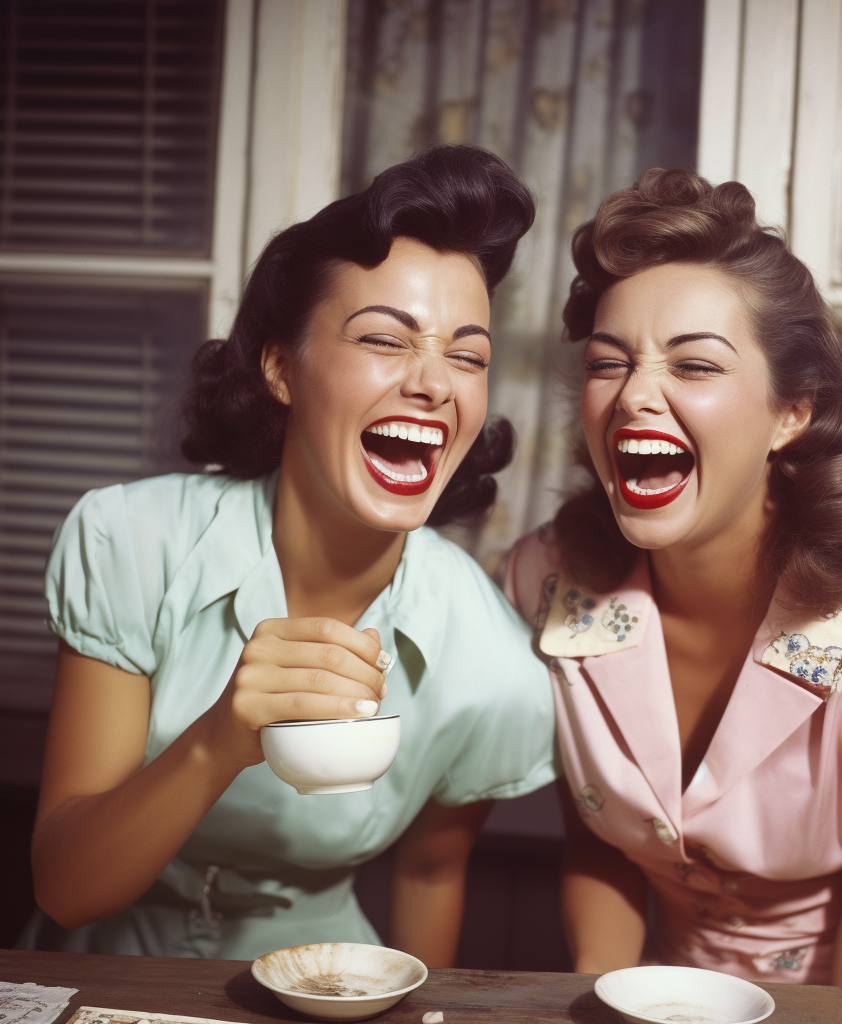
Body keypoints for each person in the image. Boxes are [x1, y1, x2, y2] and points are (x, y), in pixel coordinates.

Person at [26, 144, 556, 963]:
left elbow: (429, 878)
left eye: (467, 355)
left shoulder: (493, 662)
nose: (435, 383)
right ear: (281, 366)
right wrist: (216, 742)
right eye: (387, 339)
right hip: (104, 969)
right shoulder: (126, 541)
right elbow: (64, 887)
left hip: (324, 979)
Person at [505, 169, 842, 1024]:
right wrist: (603, 1001)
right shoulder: (547, 580)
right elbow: (601, 840)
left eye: (693, 363)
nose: (634, 396)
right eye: (608, 363)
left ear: (791, 412)